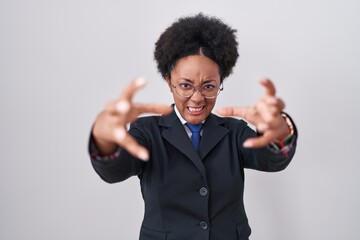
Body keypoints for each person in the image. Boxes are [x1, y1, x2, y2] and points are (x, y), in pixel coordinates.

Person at [89, 13, 297, 240]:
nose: (197, 98)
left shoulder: (234, 132)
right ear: (169, 81)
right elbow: (114, 170)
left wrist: (279, 129)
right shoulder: (146, 131)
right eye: (186, 85)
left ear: (220, 83)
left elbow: (272, 159)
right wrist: (103, 136)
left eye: (209, 86)